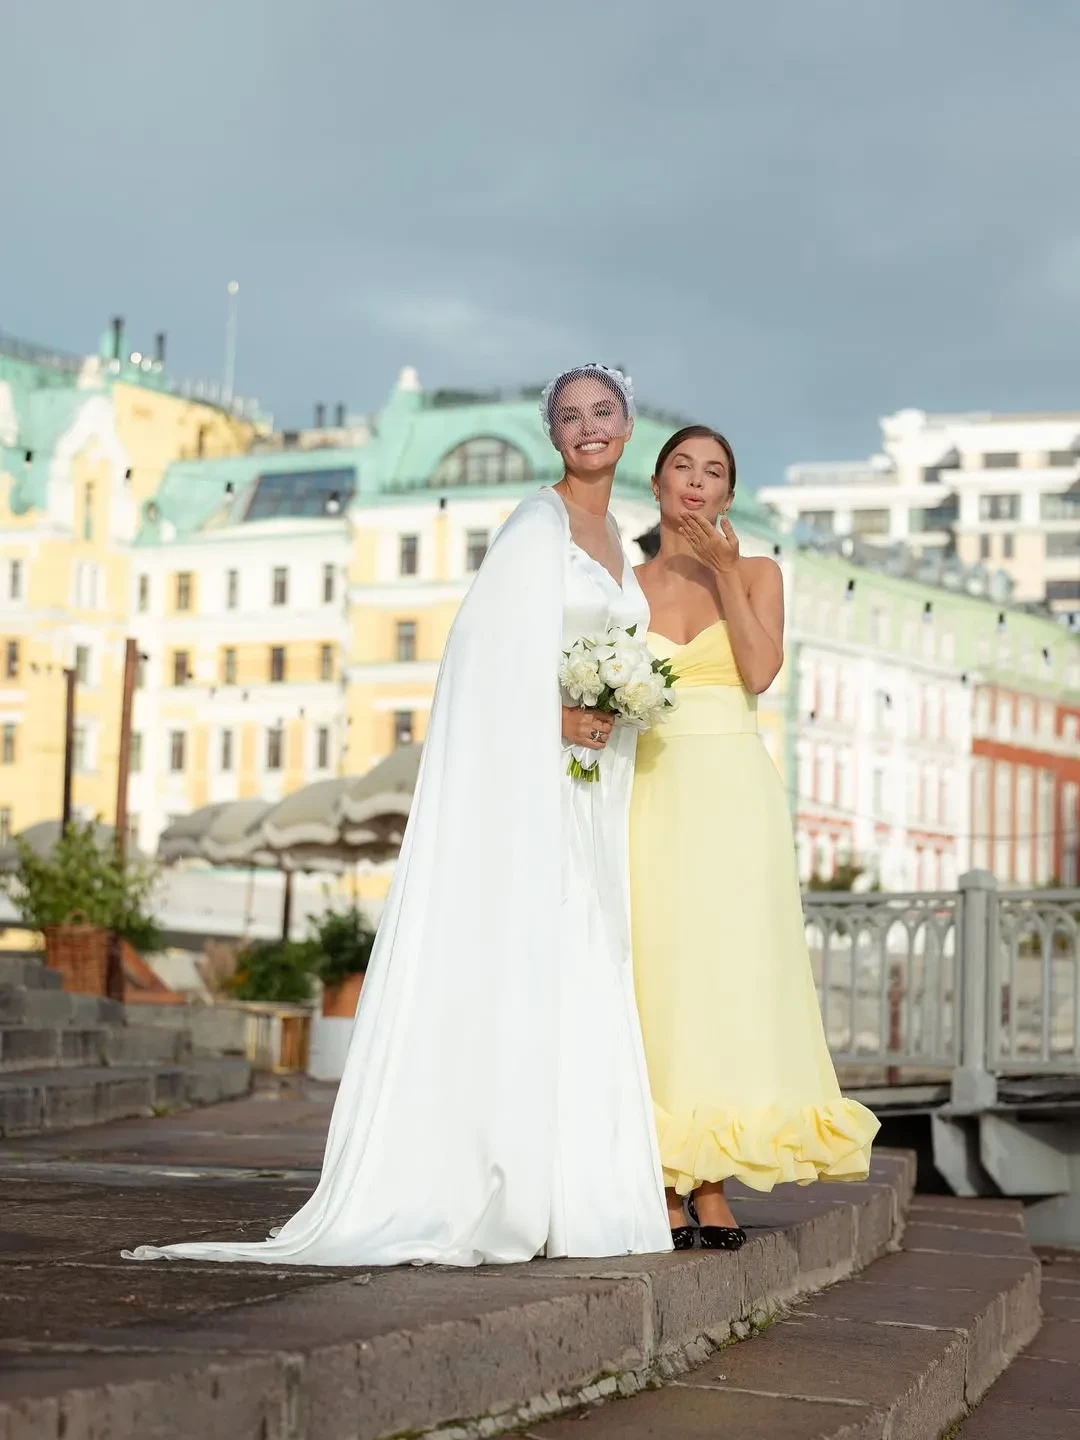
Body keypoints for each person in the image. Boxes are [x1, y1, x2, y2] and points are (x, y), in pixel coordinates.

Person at [124, 365, 670, 1266]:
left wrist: (614, 708)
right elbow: (477, 665)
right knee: (530, 958)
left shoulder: (614, 532)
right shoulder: (534, 527)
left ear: (627, 423)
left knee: (581, 961)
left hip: (586, 789)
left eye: (602, 412)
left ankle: (579, 1193)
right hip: (533, 783)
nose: (587, 428)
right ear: (553, 434)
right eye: (570, 416)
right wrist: (556, 716)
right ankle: (498, 1178)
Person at [630, 425, 879, 1251]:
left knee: (727, 982)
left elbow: (760, 670)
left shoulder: (761, 573)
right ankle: (663, 1173)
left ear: (729, 495)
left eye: (714, 472)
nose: (697, 481)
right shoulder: (621, 585)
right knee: (659, 979)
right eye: (682, 466)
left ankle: (711, 1180)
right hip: (649, 790)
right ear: (656, 483)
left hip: (734, 794)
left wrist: (728, 573)